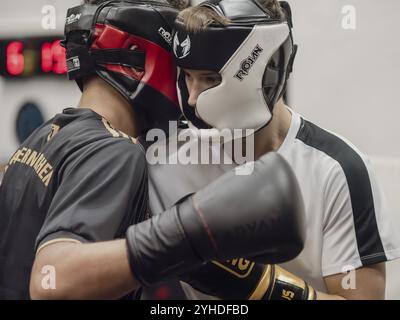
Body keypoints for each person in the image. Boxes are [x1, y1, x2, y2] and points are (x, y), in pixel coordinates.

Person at [0, 0, 305, 300]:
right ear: (136, 54)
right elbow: (50, 282)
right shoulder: (115, 152)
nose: (189, 92)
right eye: (180, 66)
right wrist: (190, 234)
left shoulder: (41, 138)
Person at [147, 0, 400, 300]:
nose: (192, 99)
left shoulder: (338, 170)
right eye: (187, 77)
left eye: (210, 79)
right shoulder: (164, 159)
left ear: (267, 69)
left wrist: (265, 287)